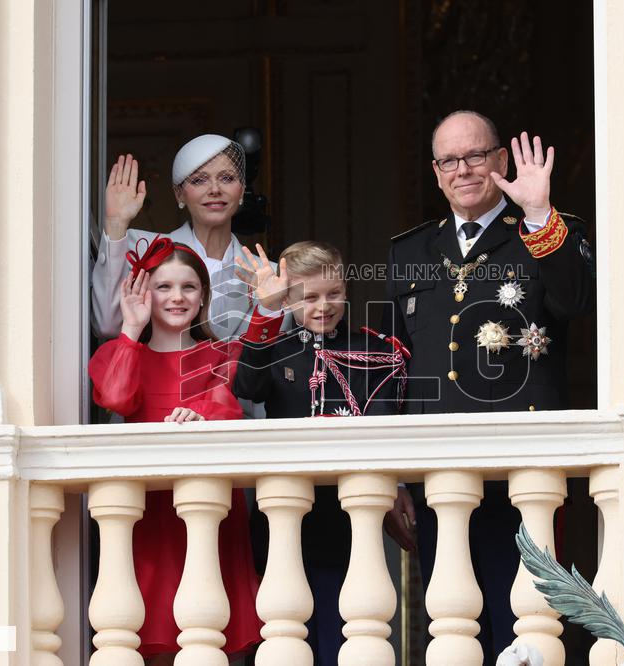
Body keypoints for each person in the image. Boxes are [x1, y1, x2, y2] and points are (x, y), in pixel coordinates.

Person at [384, 110, 595, 664]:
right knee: (450, 625)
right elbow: (391, 367)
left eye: (476, 155)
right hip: (437, 474)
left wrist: (537, 212)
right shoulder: (409, 253)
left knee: (529, 624)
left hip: (524, 468)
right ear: (436, 172)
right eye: (450, 160)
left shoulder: (544, 231)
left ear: (500, 161)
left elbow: (575, 303)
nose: (464, 169)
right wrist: (395, 476)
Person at [233, 241, 407, 666]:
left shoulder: (377, 352)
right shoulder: (275, 347)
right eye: (309, 297)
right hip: (284, 520)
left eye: (334, 294)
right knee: (285, 641)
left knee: (348, 639)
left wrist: (398, 483)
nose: (323, 306)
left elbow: (389, 425)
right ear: (290, 298)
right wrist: (266, 311)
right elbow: (247, 388)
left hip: (349, 520)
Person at [88, 236, 262, 663]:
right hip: (149, 516)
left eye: (188, 286)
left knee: (214, 638)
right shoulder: (121, 353)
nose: (176, 297)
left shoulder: (223, 354)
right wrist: (130, 328)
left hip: (209, 513)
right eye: (163, 286)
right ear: (144, 293)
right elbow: (115, 397)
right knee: (149, 632)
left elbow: (235, 403)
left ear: (203, 296)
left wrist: (202, 412)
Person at [91, 134, 256, 344]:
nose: (215, 190)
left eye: (227, 178)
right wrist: (116, 224)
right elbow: (106, 326)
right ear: (179, 194)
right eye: (199, 180)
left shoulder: (267, 274)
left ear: (241, 190)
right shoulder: (143, 247)